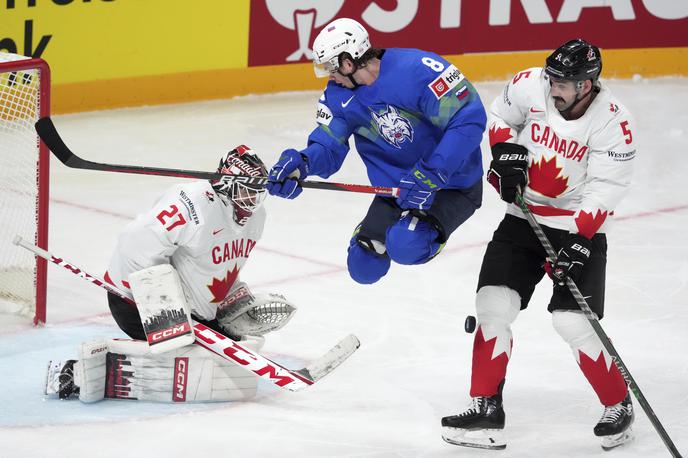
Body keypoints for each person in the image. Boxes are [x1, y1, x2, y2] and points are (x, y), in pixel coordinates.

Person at [440, 39, 637, 451]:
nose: (553, 87)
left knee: (572, 322)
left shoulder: (613, 124)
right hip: (522, 219)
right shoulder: (530, 84)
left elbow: (605, 188)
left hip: (578, 225)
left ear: (586, 85)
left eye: (564, 82)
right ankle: (485, 408)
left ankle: (618, 404)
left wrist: (581, 241)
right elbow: (500, 117)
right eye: (552, 77)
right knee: (493, 305)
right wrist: (505, 154)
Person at [46, 146, 297, 403]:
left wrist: (233, 298)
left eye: (258, 192)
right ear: (228, 183)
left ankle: (173, 347)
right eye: (247, 190)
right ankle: (74, 371)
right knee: (184, 362)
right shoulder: (192, 203)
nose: (253, 199)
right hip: (134, 301)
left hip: (192, 313)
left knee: (223, 358)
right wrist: (165, 310)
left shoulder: (257, 218)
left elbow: (217, 267)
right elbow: (134, 244)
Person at [267, 18, 486, 284]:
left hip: (452, 185)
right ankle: (390, 225)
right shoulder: (337, 95)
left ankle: (427, 232)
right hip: (396, 191)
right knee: (364, 266)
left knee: (405, 244)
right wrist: (303, 163)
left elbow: (468, 117)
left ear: (348, 62)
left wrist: (433, 172)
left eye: (331, 68)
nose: (330, 76)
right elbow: (328, 145)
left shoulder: (418, 70)